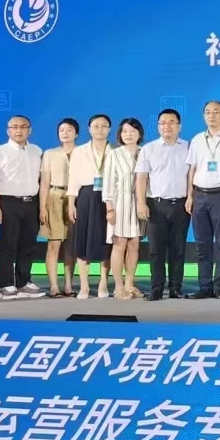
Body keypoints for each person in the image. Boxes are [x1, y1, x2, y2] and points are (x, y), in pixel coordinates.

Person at [0, 115, 44, 300]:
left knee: (28, 245)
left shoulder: (37, 151)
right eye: (14, 127)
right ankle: (7, 285)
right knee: (7, 245)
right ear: (8, 131)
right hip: (8, 203)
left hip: (32, 203)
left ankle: (24, 283)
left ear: (30, 130)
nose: (19, 130)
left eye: (23, 127)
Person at [135, 108, 190, 300]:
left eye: (172, 122)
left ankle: (176, 288)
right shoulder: (149, 149)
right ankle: (156, 288)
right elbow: (141, 178)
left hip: (181, 205)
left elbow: (191, 176)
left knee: (178, 249)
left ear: (179, 126)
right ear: (158, 127)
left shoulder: (188, 147)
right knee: (156, 251)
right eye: (163, 123)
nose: (167, 126)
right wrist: (141, 203)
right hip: (156, 205)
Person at [184, 100, 220, 298]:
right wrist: (189, 196)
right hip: (199, 195)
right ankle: (204, 286)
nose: (211, 115)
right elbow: (192, 169)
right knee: (202, 244)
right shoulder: (197, 139)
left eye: (215, 112)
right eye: (207, 112)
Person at [67, 114, 113, 299]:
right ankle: (84, 286)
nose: (100, 129)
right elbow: (73, 178)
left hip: (109, 197)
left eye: (104, 126)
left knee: (106, 241)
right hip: (85, 196)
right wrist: (71, 203)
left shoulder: (116, 151)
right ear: (89, 129)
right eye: (96, 126)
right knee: (82, 240)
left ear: (109, 129)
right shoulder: (80, 151)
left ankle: (103, 283)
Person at [37, 117, 80, 297]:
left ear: (76, 133)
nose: (65, 133)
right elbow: (44, 183)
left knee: (71, 245)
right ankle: (54, 286)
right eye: (61, 130)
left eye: (69, 129)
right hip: (54, 196)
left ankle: (68, 285)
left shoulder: (83, 153)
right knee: (54, 244)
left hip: (76, 199)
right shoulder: (49, 153)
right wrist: (42, 208)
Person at [103, 118, 145, 300]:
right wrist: (109, 208)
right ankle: (118, 287)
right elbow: (108, 182)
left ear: (139, 134)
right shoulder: (114, 154)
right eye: (125, 131)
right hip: (119, 202)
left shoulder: (144, 152)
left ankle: (129, 284)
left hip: (139, 202)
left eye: (132, 131)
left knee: (134, 244)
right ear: (120, 134)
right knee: (119, 243)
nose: (128, 135)